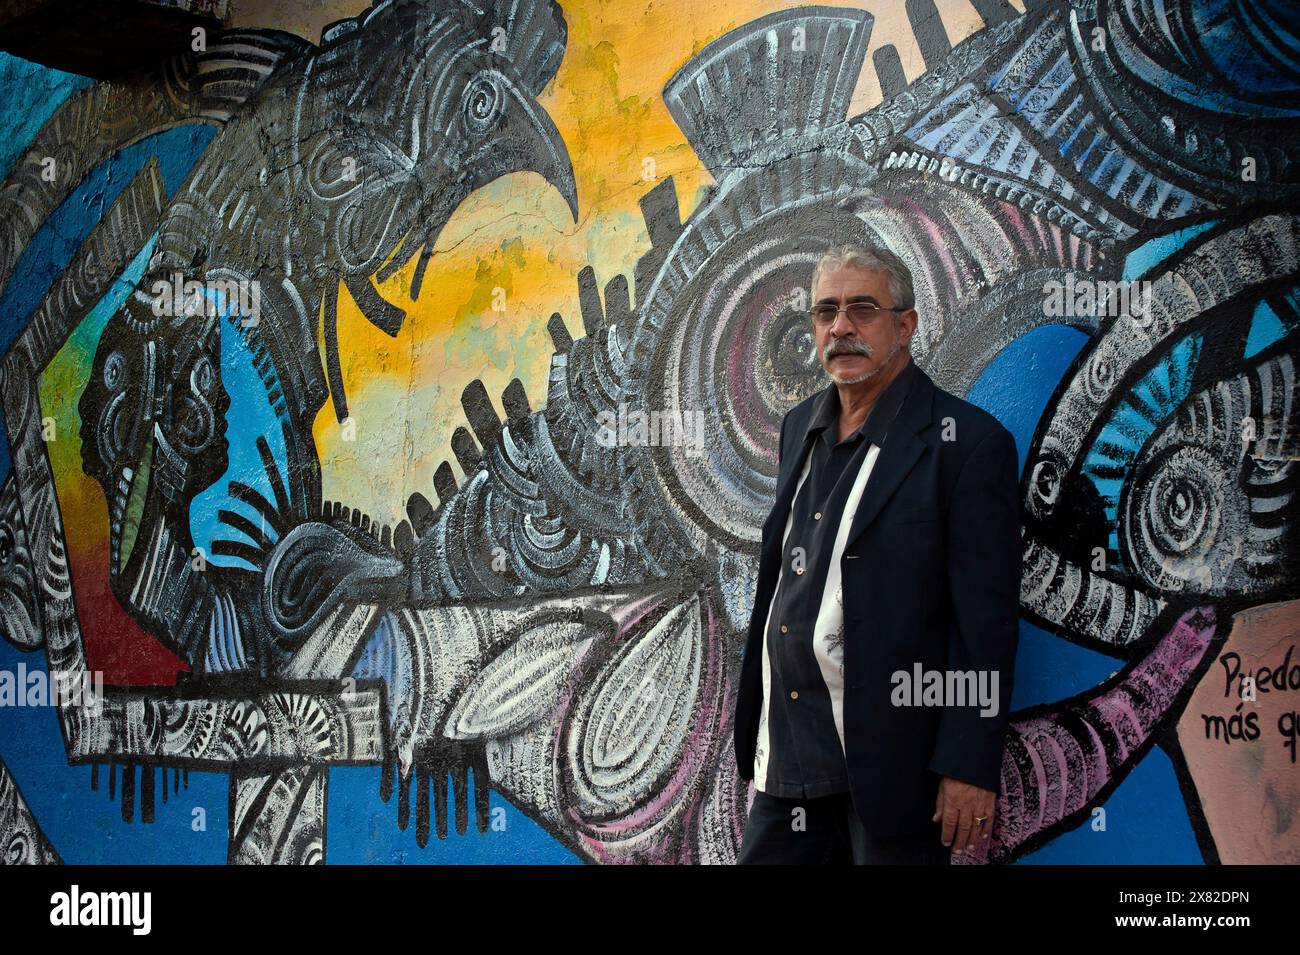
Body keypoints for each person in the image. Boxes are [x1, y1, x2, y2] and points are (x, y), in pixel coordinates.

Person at [733, 244, 1021, 864]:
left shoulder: (966, 445)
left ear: (905, 324)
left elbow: (985, 624)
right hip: (790, 753)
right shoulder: (798, 431)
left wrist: (969, 761)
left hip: (895, 767)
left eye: (862, 309)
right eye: (825, 312)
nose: (840, 327)